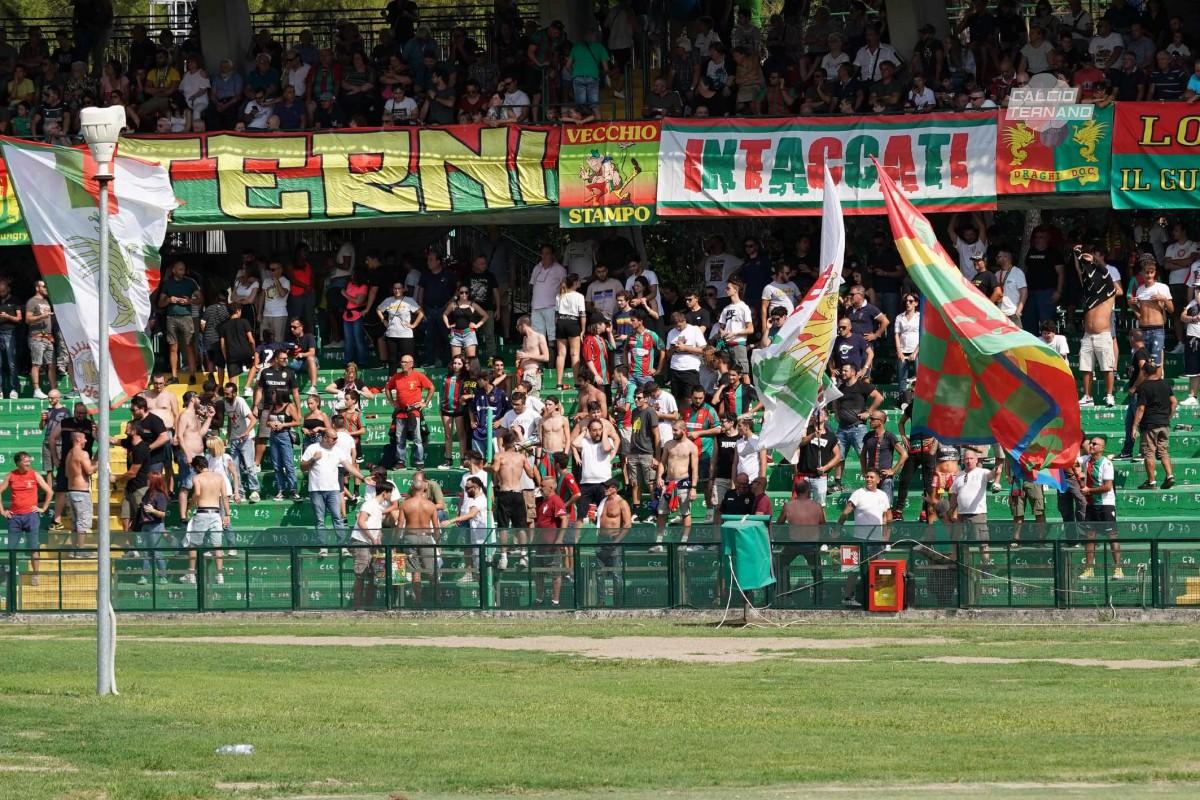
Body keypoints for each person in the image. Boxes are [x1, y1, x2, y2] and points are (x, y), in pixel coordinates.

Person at [301, 427, 367, 558]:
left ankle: (343, 547)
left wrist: (363, 478)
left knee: (338, 517)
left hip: (333, 489)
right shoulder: (312, 448)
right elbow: (302, 467)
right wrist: (313, 459)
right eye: (334, 438)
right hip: (316, 490)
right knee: (320, 520)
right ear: (325, 438)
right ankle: (323, 547)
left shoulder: (338, 451)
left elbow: (349, 466)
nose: (336, 441)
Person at [837, 468, 891, 607]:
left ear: (878, 480)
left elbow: (887, 517)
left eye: (872, 477)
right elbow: (845, 512)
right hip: (859, 540)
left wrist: (887, 538)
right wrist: (837, 528)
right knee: (853, 570)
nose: (868, 479)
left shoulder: (883, 495)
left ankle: (879, 598)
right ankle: (847, 597)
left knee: (878, 570)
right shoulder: (858, 494)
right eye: (867, 477)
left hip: (877, 541)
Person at [1073, 246, 1119, 407]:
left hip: (1103, 334)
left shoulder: (1110, 292)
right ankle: (1087, 396)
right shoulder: (1089, 295)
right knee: (1086, 367)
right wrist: (1078, 256)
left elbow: (1105, 276)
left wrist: (1096, 261)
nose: (1095, 281)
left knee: (1107, 367)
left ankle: (1109, 395)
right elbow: (1083, 275)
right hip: (1087, 335)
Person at [0, 452, 52, 586]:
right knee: (11, 549)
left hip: (31, 517)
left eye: (29, 461)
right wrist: (2, 511)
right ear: (18, 463)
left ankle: (35, 575)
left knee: (34, 548)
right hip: (15, 518)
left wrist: (43, 508)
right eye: (25, 461)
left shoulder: (34, 474)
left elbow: (49, 491)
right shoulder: (11, 475)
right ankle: (8, 576)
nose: (28, 463)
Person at [490, 430, 538, 569]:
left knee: (503, 528)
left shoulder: (499, 456)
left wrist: (486, 467)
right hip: (518, 493)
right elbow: (530, 474)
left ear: (504, 443)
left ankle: (504, 557)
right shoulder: (521, 457)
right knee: (521, 526)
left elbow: (495, 469)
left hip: (505, 493)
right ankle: (524, 556)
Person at [832, 363, 883, 490]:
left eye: (845, 371)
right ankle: (837, 483)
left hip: (858, 428)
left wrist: (869, 412)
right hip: (842, 428)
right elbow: (835, 400)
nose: (843, 373)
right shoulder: (841, 387)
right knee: (839, 456)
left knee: (864, 455)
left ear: (854, 372)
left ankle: (870, 483)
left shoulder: (862, 385)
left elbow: (879, 397)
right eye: (842, 370)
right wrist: (837, 414)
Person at [776, 479, 827, 601]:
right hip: (811, 545)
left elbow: (779, 523)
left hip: (793, 543)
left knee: (780, 564)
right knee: (817, 572)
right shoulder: (817, 506)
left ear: (796, 491)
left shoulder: (788, 505)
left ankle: (784, 595)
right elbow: (823, 526)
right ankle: (818, 597)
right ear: (809, 491)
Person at [180, 455, 228, 585]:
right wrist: (227, 514)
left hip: (202, 513)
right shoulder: (219, 477)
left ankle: (191, 574)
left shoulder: (197, 477)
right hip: (216, 513)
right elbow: (224, 497)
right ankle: (220, 575)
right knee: (217, 545)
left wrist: (190, 505)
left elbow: (197, 493)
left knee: (194, 545)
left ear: (197, 467)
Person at [1080, 435, 1122, 580]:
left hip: (1105, 505)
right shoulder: (1085, 460)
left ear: (1102, 448)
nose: (1091, 446)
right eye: (1090, 443)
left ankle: (1118, 569)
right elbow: (1071, 462)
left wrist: (1089, 491)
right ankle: (1089, 569)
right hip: (1091, 505)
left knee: (1112, 537)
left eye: (1095, 444)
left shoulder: (1106, 464)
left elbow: (1107, 487)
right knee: (1089, 537)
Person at [349, 479, 395, 608]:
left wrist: (378, 537)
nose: (391, 496)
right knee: (361, 574)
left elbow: (375, 527)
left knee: (373, 573)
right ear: (385, 493)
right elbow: (361, 521)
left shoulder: (378, 508)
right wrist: (372, 537)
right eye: (390, 493)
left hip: (371, 544)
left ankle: (369, 605)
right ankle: (357, 606)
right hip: (361, 542)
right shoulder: (369, 504)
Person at [1132, 361, 1177, 490]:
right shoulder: (1165, 383)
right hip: (1164, 423)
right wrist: (1168, 417)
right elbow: (1174, 402)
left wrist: (1134, 426)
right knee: (1163, 451)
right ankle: (1170, 476)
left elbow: (1141, 409)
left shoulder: (1144, 387)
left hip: (1150, 424)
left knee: (1149, 453)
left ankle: (1151, 481)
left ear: (1144, 372)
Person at [384, 354, 434, 468]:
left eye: (406, 362)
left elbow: (431, 387)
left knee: (417, 439)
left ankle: (419, 461)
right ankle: (401, 461)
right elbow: (387, 388)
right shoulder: (397, 376)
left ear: (411, 364)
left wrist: (424, 402)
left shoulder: (418, 376)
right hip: (400, 413)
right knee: (399, 439)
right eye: (402, 362)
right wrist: (392, 402)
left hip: (414, 412)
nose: (403, 364)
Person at [656, 421, 699, 547]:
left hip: (684, 482)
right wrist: (659, 476)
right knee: (661, 513)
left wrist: (694, 488)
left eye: (675, 430)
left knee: (685, 513)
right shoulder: (669, 444)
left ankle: (684, 542)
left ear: (683, 430)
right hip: (669, 482)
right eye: (672, 430)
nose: (673, 433)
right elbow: (662, 463)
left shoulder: (691, 446)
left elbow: (695, 469)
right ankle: (659, 542)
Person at [157, 260, 200, 384]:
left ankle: (192, 375)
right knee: (173, 347)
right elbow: (160, 303)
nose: (183, 271)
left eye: (183, 269)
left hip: (186, 316)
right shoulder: (167, 284)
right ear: (174, 271)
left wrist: (189, 301)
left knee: (189, 346)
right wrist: (169, 300)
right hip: (171, 317)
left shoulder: (190, 282)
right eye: (180, 269)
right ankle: (175, 376)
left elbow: (201, 298)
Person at [949, 449, 998, 552]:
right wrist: (952, 510)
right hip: (961, 515)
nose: (969, 461)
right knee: (963, 544)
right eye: (966, 458)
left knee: (983, 544)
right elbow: (954, 494)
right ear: (963, 461)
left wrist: (997, 468)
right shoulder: (958, 475)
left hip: (978, 514)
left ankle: (986, 567)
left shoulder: (983, 472)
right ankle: (966, 567)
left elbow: (992, 475)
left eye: (971, 458)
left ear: (976, 460)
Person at [533, 474, 568, 606]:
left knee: (554, 572)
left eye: (543, 486)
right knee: (538, 573)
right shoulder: (543, 503)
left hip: (551, 544)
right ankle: (539, 599)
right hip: (540, 544)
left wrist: (559, 539)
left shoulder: (556, 501)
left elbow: (564, 519)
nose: (540, 488)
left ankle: (555, 601)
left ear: (552, 487)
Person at [861, 410, 907, 508]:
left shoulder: (889, 436)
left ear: (881, 421)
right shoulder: (868, 436)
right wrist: (864, 471)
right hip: (872, 477)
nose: (870, 421)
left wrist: (893, 470)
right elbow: (862, 455)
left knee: (886, 508)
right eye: (870, 419)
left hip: (885, 478)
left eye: (872, 419)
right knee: (871, 507)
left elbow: (904, 454)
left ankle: (887, 523)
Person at [263, 390, 300, 501]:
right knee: (277, 465)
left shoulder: (289, 406)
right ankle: (281, 490)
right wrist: (271, 424)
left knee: (288, 464)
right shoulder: (272, 407)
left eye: (273, 394)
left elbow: (298, 421)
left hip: (285, 435)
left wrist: (283, 425)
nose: (272, 396)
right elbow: (267, 422)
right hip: (274, 436)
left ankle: (293, 490)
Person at [377, 281, 422, 373]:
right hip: (392, 333)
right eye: (395, 288)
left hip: (406, 334)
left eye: (399, 288)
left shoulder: (409, 300)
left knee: (407, 359)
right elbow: (378, 309)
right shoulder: (388, 300)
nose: (397, 290)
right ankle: (391, 380)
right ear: (392, 290)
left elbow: (421, 313)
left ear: (403, 289)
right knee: (392, 359)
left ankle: (409, 380)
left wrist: (414, 325)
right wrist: (383, 320)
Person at [530, 244, 566, 353]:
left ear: (552, 255)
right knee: (537, 336)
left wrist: (560, 308)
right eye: (543, 253)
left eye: (548, 253)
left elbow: (564, 289)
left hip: (551, 306)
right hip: (536, 307)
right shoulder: (537, 267)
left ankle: (551, 365)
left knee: (552, 336)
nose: (545, 256)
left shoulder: (560, 269)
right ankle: (540, 362)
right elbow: (532, 284)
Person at [64, 431, 95, 556]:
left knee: (75, 523)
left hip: (71, 491)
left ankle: (73, 549)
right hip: (81, 492)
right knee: (82, 522)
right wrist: (99, 464)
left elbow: (67, 474)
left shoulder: (69, 454)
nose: (86, 441)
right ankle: (81, 550)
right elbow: (89, 471)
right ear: (78, 439)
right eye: (84, 439)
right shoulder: (83, 453)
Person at [554, 274, 586, 389]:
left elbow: (556, 315)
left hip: (561, 322)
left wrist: (557, 326)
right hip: (573, 322)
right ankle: (576, 381)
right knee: (574, 354)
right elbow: (582, 314)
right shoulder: (579, 296)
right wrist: (583, 329)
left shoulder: (560, 295)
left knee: (561, 354)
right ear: (576, 283)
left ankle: (558, 383)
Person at [716, 279, 754, 373]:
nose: (726, 290)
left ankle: (746, 388)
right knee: (728, 373)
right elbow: (721, 327)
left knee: (743, 373)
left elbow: (750, 329)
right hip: (726, 345)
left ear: (735, 290)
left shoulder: (743, 307)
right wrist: (722, 332)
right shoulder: (726, 309)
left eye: (728, 288)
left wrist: (735, 333)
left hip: (738, 344)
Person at [25, 279, 54, 399]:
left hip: (48, 337)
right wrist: (42, 316)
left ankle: (54, 390)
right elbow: (27, 320)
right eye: (44, 287)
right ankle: (36, 390)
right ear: (37, 288)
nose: (46, 288)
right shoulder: (32, 301)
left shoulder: (46, 301)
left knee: (51, 364)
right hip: (37, 337)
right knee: (36, 364)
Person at [893, 292, 920, 390]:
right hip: (903, 350)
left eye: (911, 301)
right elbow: (897, 334)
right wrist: (899, 351)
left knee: (919, 377)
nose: (908, 303)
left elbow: (922, 335)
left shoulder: (920, 317)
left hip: (916, 351)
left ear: (916, 303)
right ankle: (902, 400)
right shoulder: (899, 317)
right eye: (906, 301)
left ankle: (917, 401)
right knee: (902, 378)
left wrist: (915, 352)